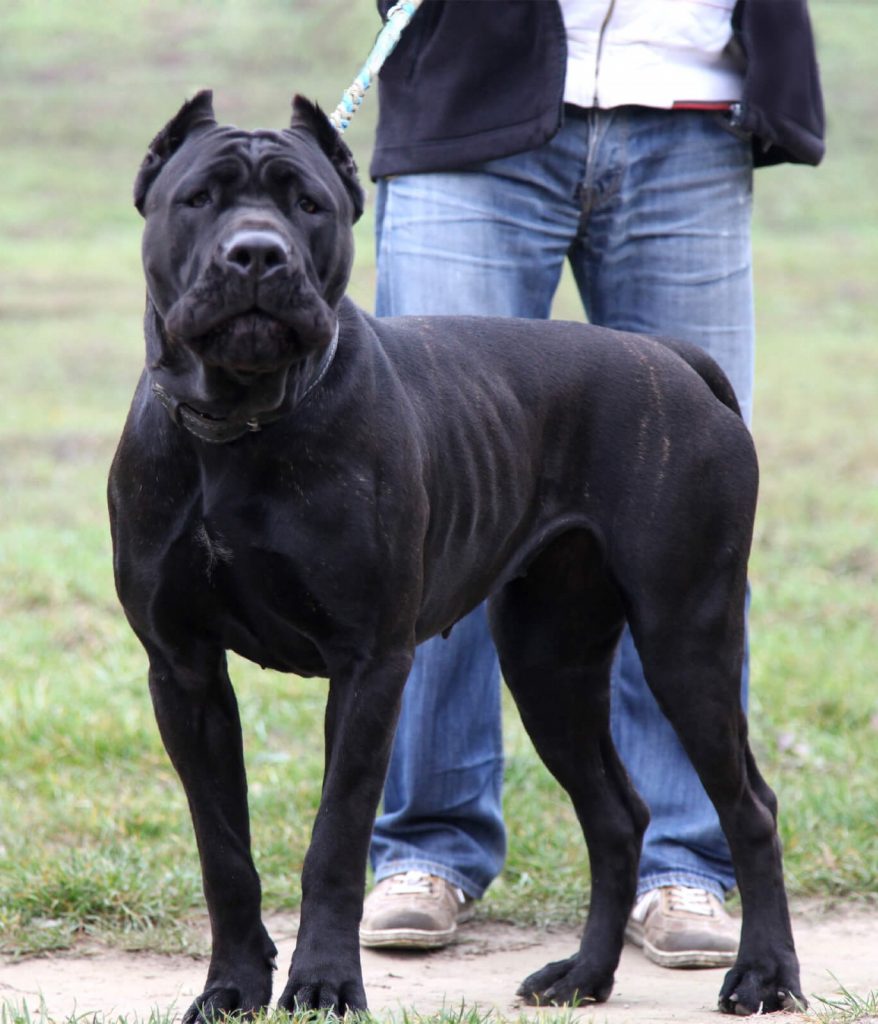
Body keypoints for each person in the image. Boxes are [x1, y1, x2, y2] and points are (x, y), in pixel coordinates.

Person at [359, 0, 825, 969]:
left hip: (693, 104)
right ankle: (425, 848)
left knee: (681, 560)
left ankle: (683, 862)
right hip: (469, 99)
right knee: (428, 511)